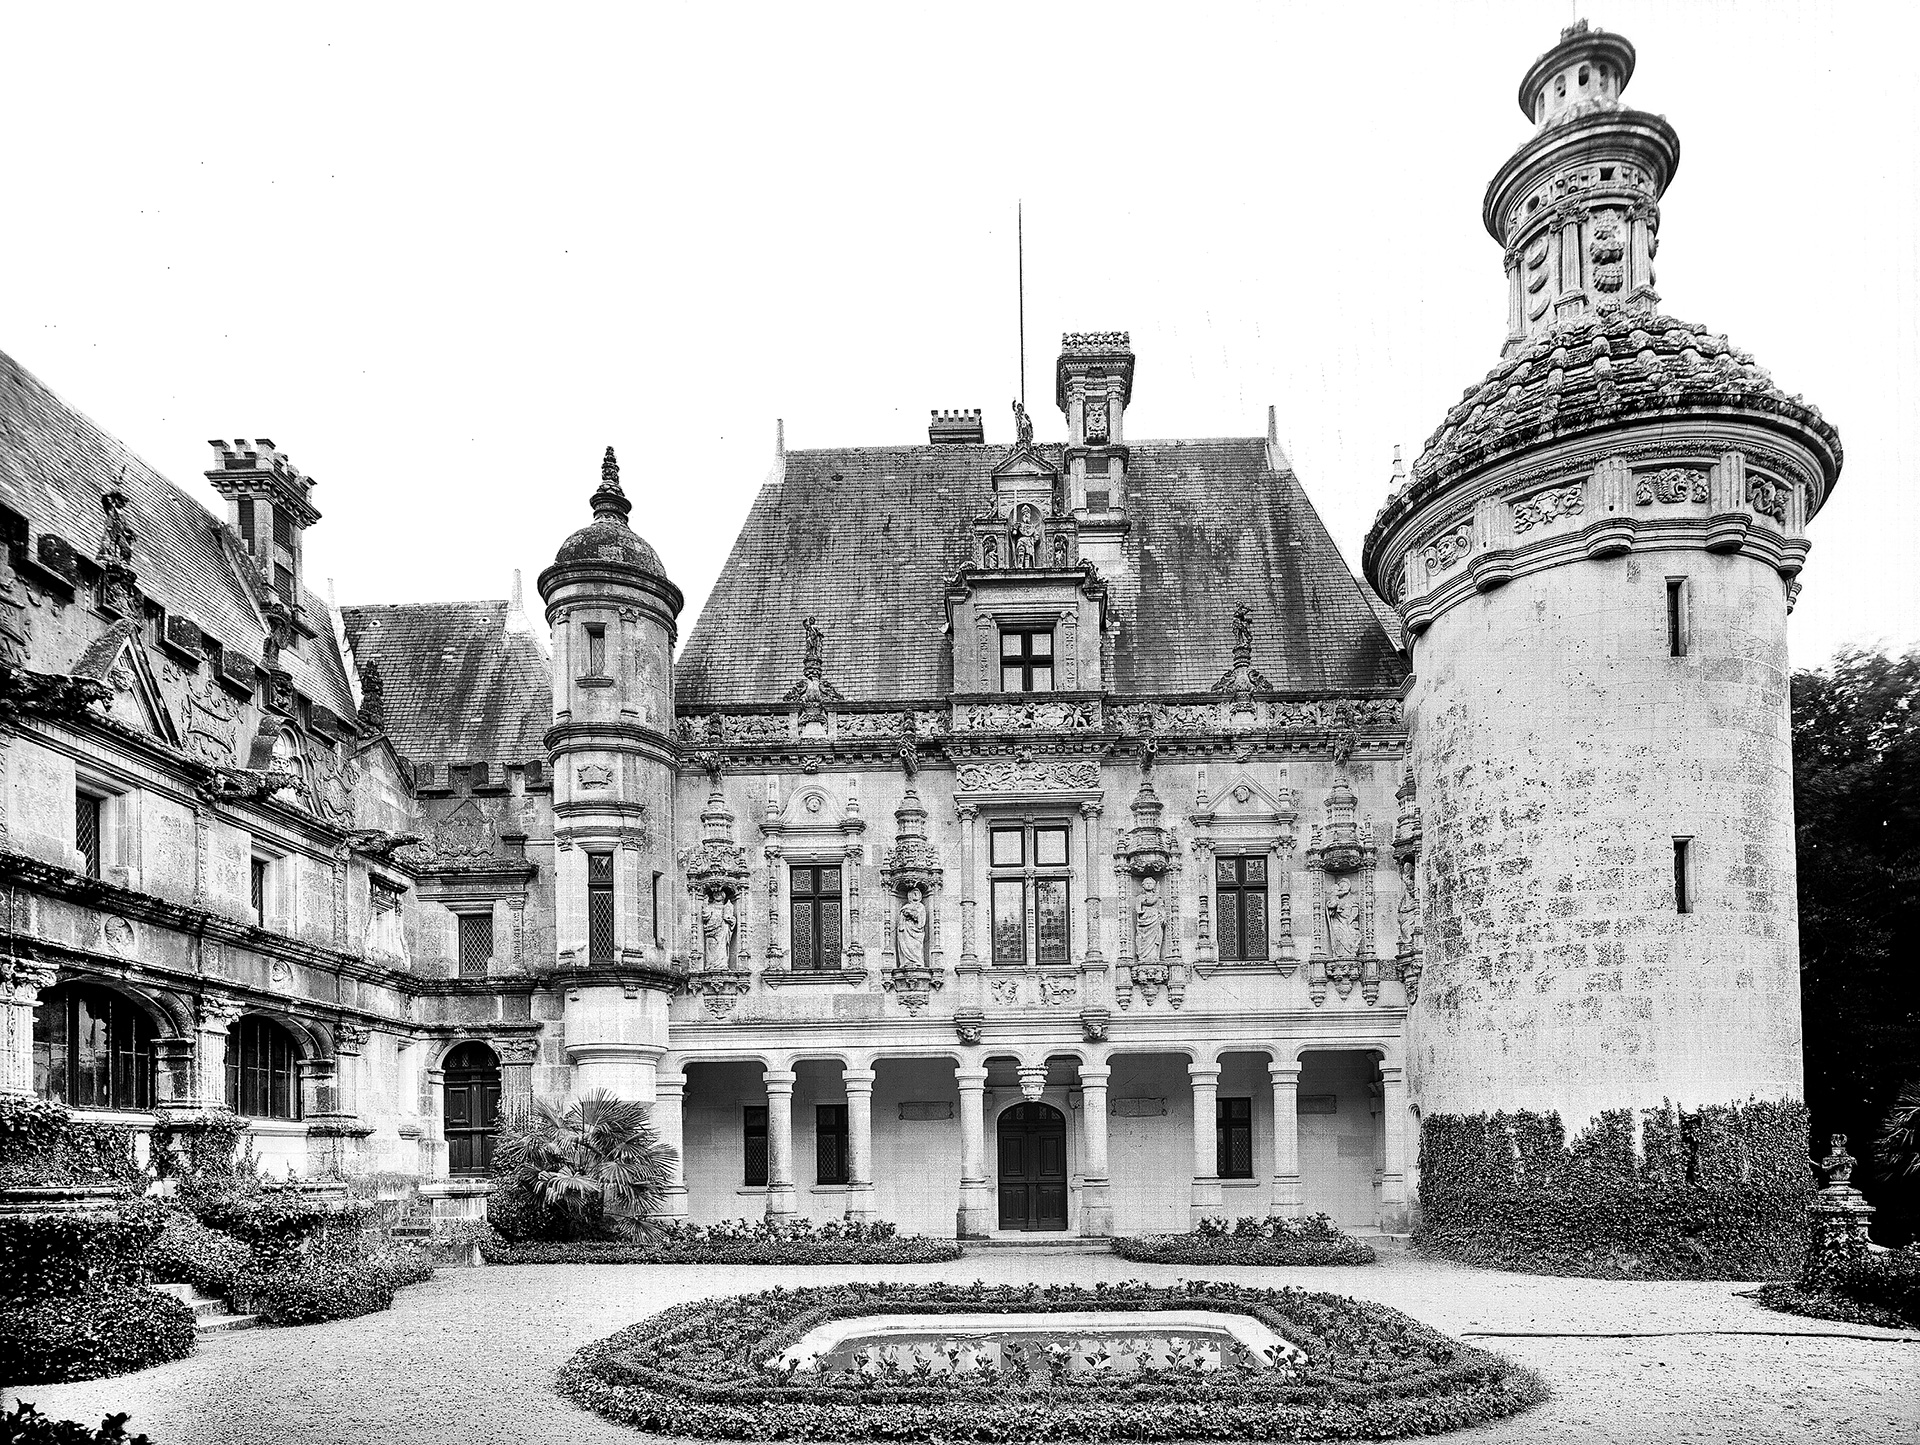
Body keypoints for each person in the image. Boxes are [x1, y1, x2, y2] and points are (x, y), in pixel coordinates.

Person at [1134, 876, 1167, 965]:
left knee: (1156, 937)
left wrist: (1163, 916)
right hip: (1144, 921)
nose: (1149, 885)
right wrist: (1157, 892)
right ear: (1143, 886)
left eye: (1151, 883)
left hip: (1155, 921)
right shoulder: (1141, 897)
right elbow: (1149, 902)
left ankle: (1155, 956)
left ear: (1154, 885)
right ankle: (1143, 956)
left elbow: (1161, 907)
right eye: (1147, 883)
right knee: (1142, 939)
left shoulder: (1158, 898)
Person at [896, 885, 928, 970]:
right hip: (906, 929)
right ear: (909, 895)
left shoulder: (921, 906)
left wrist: (911, 914)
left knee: (916, 946)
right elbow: (901, 919)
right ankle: (906, 961)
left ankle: (917, 962)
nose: (915, 895)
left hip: (916, 931)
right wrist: (904, 914)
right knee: (906, 944)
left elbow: (921, 919)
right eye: (913, 894)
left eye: (917, 893)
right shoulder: (905, 906)